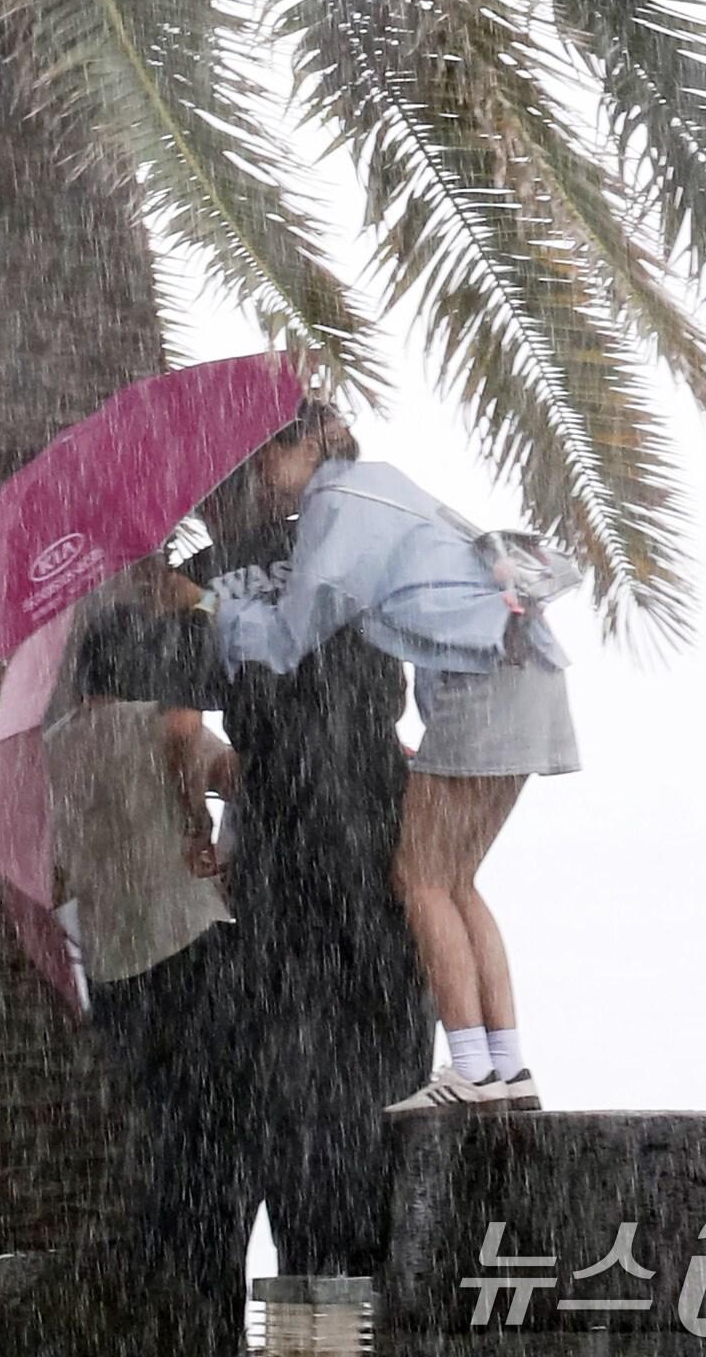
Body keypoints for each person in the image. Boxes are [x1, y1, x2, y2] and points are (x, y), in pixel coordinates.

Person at [83, 402, 434, 1278]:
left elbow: (111, 661)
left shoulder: (224, 569)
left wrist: (161, 589)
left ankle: (323, 1310)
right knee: (372, 1118)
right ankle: (358, 1302)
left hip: (291, 848)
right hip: (377, 832)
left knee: (306, 1129)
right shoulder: (374, 543)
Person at [202, 448, 581, 1113]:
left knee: (419, 878)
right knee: (456, 878)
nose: (262, 475)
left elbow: (292, 636)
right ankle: (507, 1065)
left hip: (484, 683)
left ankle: (470, 1068)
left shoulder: (336, 505)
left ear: (308, 448)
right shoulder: (386, 487)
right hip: (527, 667)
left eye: (269, 459)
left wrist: (215, 612)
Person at [46, 566, 252, 1357]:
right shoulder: (155, 723)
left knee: (163, 1156)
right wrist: (195, 810)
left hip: (115, 972)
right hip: (187, 951)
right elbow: (222, 760)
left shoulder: (57, 748)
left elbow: (60, 866)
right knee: (218, 1158)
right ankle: (216, 1324)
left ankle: (171, 1320)